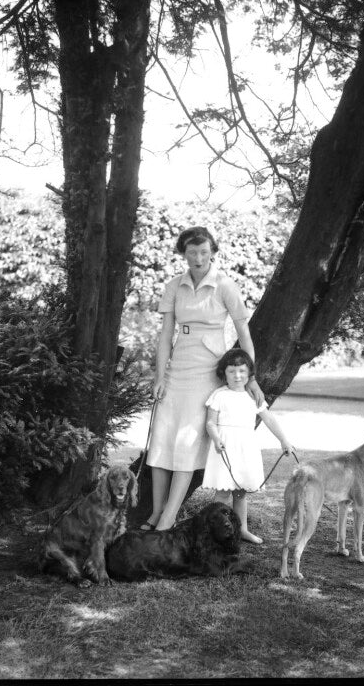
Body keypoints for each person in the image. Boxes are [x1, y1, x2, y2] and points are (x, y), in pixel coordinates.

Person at [143, 226, 265, 532]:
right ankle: (156, 513)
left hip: (208, 368)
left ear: (212, 252)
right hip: (178, 366)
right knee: (161, 439)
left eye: (203, 252)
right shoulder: (174, 285)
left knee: (186, 442)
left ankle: (169, 518)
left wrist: (251, 377)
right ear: (183, 253)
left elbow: (243, 335)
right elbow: (165, 335)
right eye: (191, 252)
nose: (197, 258)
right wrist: (159, 375)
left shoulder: (226, 285)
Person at [202, 348, 295, 544]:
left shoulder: (253, 397)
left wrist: (284, 440)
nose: (237, 376)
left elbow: (268, 419)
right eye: (232, 372)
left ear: (249, 373)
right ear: (223, 373)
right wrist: (216, 438)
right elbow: (210, 422)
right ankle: (214, 531)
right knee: (223, 491)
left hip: (245, 447)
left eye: (242, 371)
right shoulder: (219, 395)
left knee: (240, 491)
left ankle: (241, 529)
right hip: (225, 445)